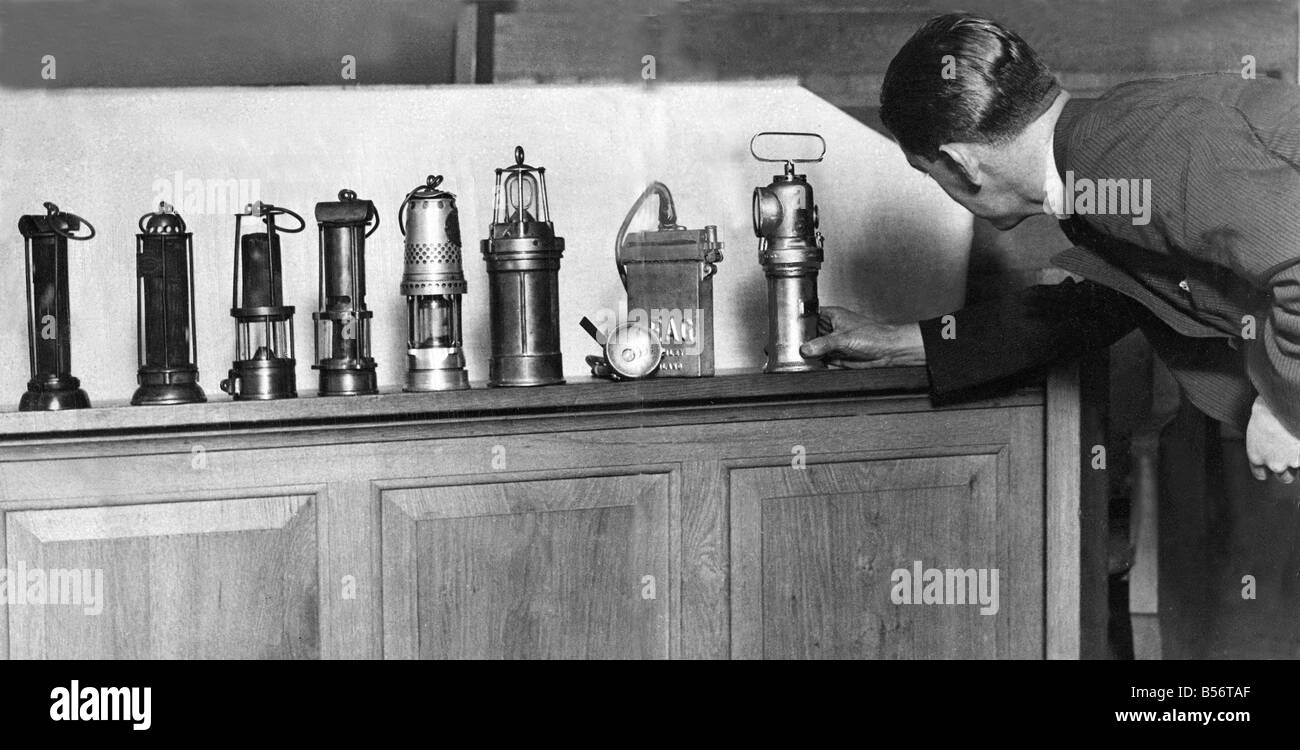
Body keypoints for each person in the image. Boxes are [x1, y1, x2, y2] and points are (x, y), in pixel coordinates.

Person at [801, 12, 1300, 483]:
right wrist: (902, 343)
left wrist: (1283, 403)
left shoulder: (1114, 154)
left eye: (928, 174)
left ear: (961, 164)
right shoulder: (1093, 156)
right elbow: (1107, 304)